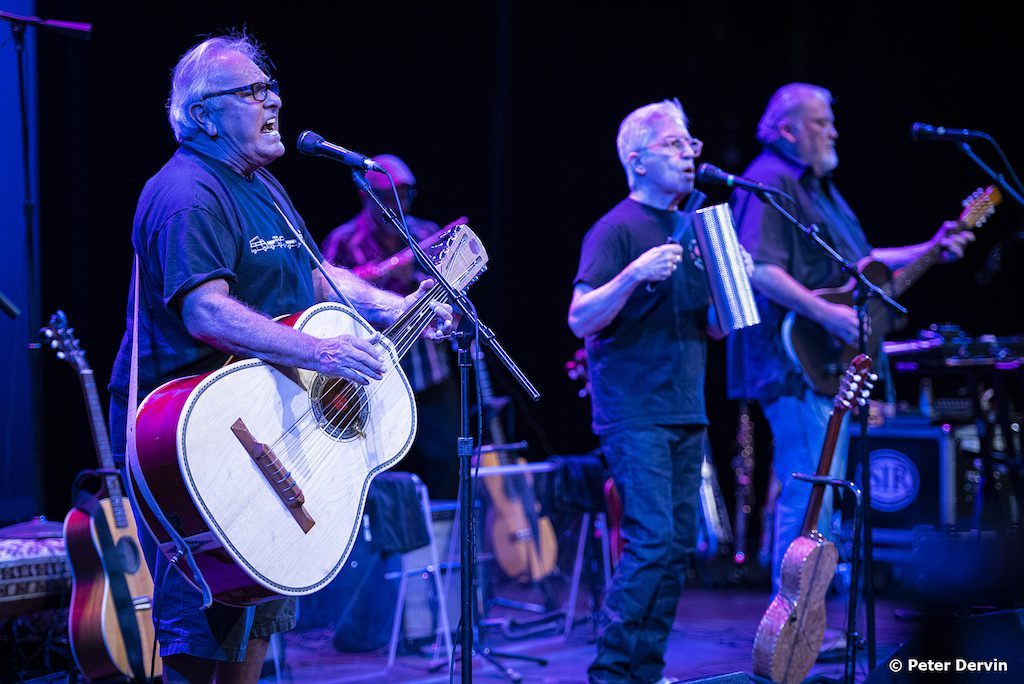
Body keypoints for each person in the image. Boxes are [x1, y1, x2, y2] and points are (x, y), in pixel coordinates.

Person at [106, 33, 452, 684]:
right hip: (191, 436)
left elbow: (316, 279)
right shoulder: (187, 192)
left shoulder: (262, 184)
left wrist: (394, 306)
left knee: (261, 609)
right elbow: (205, 312)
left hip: (265, 421)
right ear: (204, 114)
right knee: (201, 627)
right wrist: (322, 352)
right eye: (254, 91)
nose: (275, 100)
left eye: (272, 88)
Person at [726, 83, 974, 597]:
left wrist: (930, 249)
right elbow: (759, 269)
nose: (833, 129)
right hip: (792, 363)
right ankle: (790, 621)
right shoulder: (768, 178)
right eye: (821, 121)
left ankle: (807, 619)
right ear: (788, 129)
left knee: (823, 492)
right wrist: (829, 316)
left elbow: (863, 263)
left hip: (821, 368)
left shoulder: (819, 190)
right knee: (810, 493)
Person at [568, 98, 750, 684]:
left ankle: (645, 670)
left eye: (690, 143)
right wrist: (633, 273)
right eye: (674, 144)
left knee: (676, 549)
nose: (689, 153)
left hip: (685, 409)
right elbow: (579, 317)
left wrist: (734, 279)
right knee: (651, 542)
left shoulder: (696, 226)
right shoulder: (615, 228)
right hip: (634, 409)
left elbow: (718, 328)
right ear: (637, 159)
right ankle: (612, 673)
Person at [321, 156, 461, 500]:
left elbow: (453, 298)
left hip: (430, 371)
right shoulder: (342, 241)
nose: (397, 205)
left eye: (404, 195)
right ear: (366, 196)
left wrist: (419, 282)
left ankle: (446, 543)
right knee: (383, 468)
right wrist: (386, 270)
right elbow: (326, 302)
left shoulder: (425, 233)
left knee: (448, 460)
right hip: (376, 375)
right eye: (386, 196)